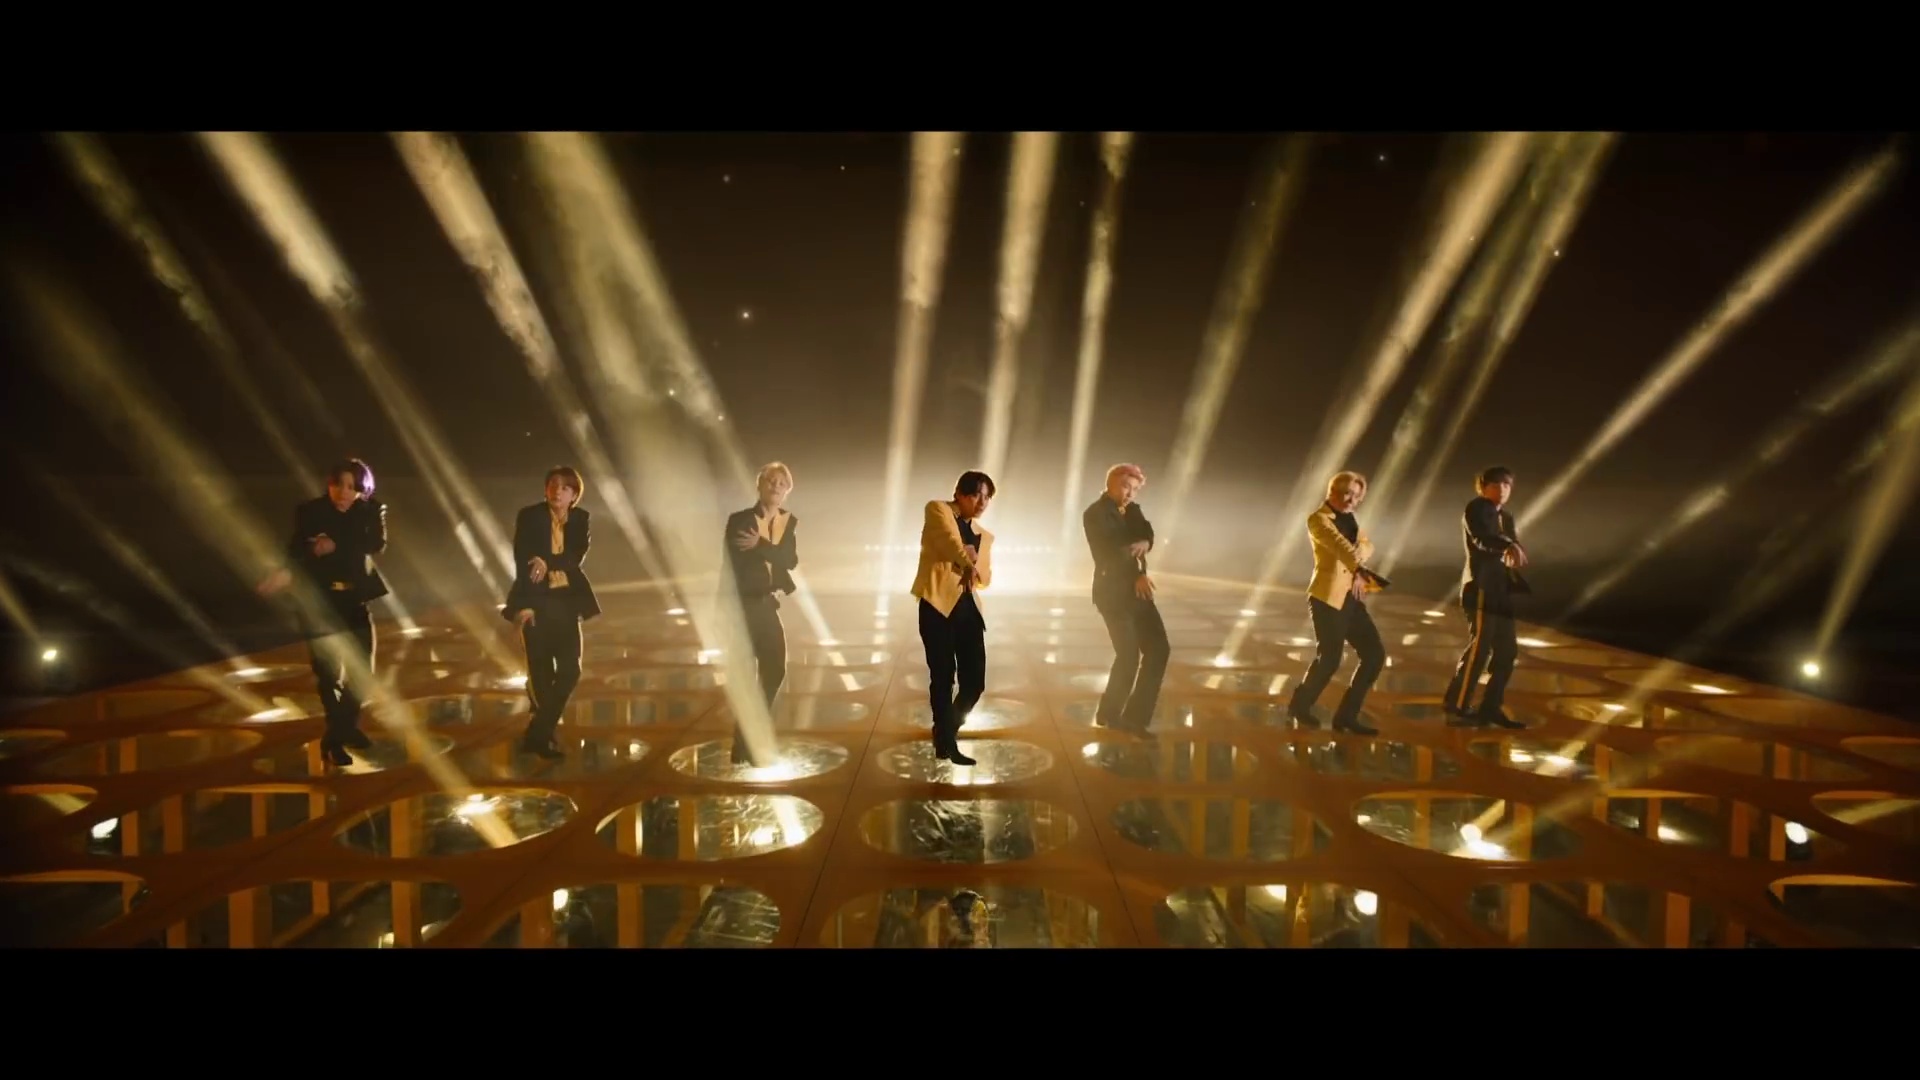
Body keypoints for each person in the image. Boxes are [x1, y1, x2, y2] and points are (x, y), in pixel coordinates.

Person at [258, 458, 388, 767]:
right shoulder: (311, 511)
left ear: (362, 490)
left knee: (362, 672)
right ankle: (341, 736)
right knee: (329, 674)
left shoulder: (370, 511)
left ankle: (339, 732)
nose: (343, 492)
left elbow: (375, 543)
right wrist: (291, 566)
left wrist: (334, 543)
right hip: (319, 603)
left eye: (351, 487)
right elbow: (295, 549)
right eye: (337, 484)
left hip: (355, 600)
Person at [503, 466, 601, 759]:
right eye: (553, 485)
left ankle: (537, 733)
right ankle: (541, 738)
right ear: (546, 489)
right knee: (541, 673)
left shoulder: (580, 519)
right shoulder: (530, 516)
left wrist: (546, 562)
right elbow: (522, 560)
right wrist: (526, 605)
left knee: (571, 670)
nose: (557, 491)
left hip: (567, 601)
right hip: (536, 600)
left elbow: (574, 557)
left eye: (565, 487)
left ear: (574, 495)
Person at [1287, 471, 1386, 735]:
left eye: (1356, 496)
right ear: (1332, 491)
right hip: (1327, 597)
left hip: (1351, 597)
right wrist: (1359, 568)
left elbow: (1368, 546)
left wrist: (1358, 565)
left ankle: (1346, 716)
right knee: (1330, 659)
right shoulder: (1318, 519)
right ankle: (1300, 705)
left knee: (1374, 655)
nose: (1351, 500)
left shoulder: (1350, 519)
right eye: (1346, 493)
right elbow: (1341, 547)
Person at [909, 470, 995, 766]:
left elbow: (986, 579)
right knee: (943, 676)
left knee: (975, 682)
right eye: (975, 494)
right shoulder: (938, 510)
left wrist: (976, 567)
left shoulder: (985, 536)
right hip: (937, 605)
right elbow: (948, 542)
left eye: (987, 497)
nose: (981, 502)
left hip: (968, 609)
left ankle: (946, 730)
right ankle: (947, 742)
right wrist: (966, 559)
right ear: (959, 493)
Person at [1082, 463, 1169, 736]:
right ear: (1110, 483)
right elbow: (1108, 552)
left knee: (1159, 649)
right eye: (1125, 486)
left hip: (1138, 592)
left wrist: (1146, 543)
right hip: (1113, 593)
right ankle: (1110, 714)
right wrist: (1136, 573)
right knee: (1128, 655)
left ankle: (1136, 717)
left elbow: (1146, 533)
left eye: (1134, 489)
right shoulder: (1095, 514)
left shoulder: (1133, 510)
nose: (1129, 493)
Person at [1442, 466, 1528, 729]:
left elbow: (1511, 542)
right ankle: (1458, 706)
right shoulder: (1477, 508)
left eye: (1507, 485)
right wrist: (1508, 545)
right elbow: (1482, 539)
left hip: (1500, 588)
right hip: (1480, 586)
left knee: (1507, 650)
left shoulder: (1506, 516)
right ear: (1483, 487)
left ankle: (1490, 707)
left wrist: (1514, 548)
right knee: (1481, 647)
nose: (1503, 489)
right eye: (1496, 484)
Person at [725, 461, 799, 765]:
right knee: (751, 675)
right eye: (771, 481)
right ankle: (749, 745)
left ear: (787, 490)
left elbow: (790, 560)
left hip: (767, 603)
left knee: (774, 670)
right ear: (760, 485)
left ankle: (745, 743)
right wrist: (766, 548)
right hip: (744, 605)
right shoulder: (741, 520)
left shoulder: (787, 522)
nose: (776, 486)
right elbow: (736, 559)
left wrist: (761, 544)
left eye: (782, 483)